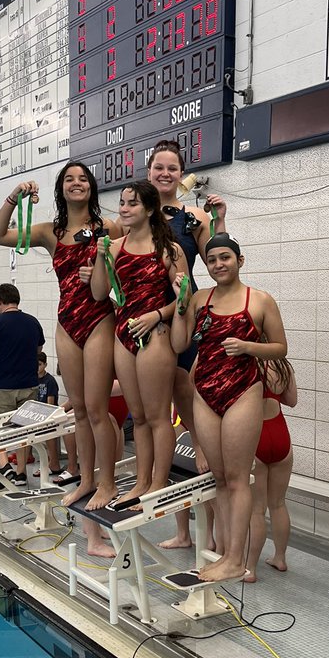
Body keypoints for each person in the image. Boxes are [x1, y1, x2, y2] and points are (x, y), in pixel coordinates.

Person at [0, 164, 122, 510]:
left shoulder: (108, 227)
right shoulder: (51, 232)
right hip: (67, 323)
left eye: (83, 179)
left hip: (100, 318)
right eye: (69, 179)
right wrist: (15, 197)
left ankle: (107, 483)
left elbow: (125, 273)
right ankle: (86, 481)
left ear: (91, 187)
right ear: (61, 189)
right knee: (78, 410)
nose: (76, 183)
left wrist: (101, 272)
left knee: (96, 409)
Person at [171, 234, 287, 582]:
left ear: (240, 260)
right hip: (205, 393)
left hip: (243, 391)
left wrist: (249, 346)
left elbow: (280, 348)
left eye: (225, 257)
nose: (219, 264)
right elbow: (179, 343)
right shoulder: (199, 299)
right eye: (212, 260)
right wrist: (179, 305)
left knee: (238, 479)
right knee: (218, 478)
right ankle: (224, 555)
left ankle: (237, 559)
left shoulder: (260, 300)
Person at [147, 140, 227, 548]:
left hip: (184, 312)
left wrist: (219, 220)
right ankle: (181, 531)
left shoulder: (191, 215)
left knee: (197, 425)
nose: (165, 173)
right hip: (149, 317)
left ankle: (210, 532)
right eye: (158, 167)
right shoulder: (136, 215)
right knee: (164, 424)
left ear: (181, 174)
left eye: (172, 168)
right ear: (148, 172)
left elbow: (219, 256)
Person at [91, 179, 188, 505]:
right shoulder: (115, 248)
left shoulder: (168, 250)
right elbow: (100, 294)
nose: (123, 208)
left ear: (148, 209)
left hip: (156, 336)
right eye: (121, 202)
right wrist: (101, 260)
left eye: (131, 203)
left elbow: (188, 298)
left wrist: (157, 315)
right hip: (123, 336)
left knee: (159, 416)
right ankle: (142, 481)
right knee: (139, 416)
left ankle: (159, 481)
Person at [0, 284, 45, 487]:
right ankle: (22, 473)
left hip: (3, 385)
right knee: (23, 430)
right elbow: (38, 348)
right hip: (29, 384)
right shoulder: (32, 322)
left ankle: (5, 465)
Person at [245, 355, 297, 583]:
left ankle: (250, 568)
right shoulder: (282, 364)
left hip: (255, 434)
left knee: (257, 509)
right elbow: (292, 400)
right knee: (278, 503)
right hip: (280, 434)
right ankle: (280, 557)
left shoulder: (245, 363)